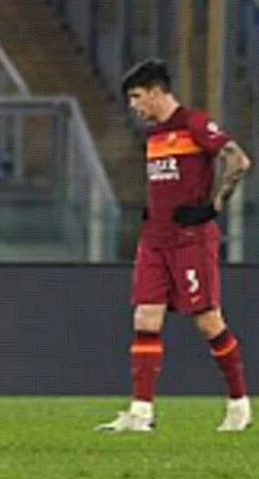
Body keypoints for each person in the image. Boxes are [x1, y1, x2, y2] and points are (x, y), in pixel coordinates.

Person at [96, 59, 253, 432]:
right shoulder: (154, 137)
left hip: (190, 241)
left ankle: (238, 403)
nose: (133, 106)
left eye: (136, 97)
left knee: (208, 322)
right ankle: (141, 413)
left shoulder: (194, 124)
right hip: (154, 240)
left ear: (155, 91)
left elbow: (239, 160)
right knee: (145, 318)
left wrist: (212, 207)